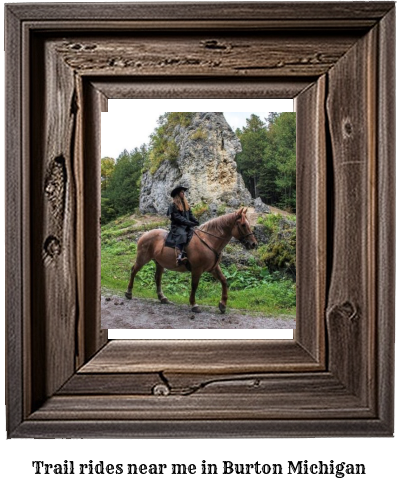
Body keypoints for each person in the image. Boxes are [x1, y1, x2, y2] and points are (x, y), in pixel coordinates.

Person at [165, 185, 199, 266]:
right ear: (177, 194)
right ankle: (179, 256)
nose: (183, 193)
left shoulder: (186, 204)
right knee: (182, 234)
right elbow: (178, 217)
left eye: (183, 192)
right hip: (177, 226)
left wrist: (195, 221)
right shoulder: (173, 205)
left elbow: (190, 215)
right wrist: (189, 223)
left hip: (186, 225)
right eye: (181, 192)